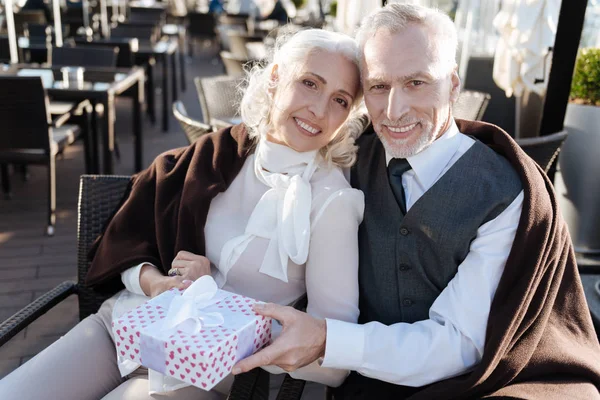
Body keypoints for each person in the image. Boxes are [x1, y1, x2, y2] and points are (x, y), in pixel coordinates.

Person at [233, 3, 600, 399]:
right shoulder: (353, 153)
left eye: (416, 82)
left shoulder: (504, 193)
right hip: (364, 384)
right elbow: (265, 146)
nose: (394, 111)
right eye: (378, 86)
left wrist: (328, 339)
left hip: (483, 383)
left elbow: (459, 344)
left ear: (454, 85)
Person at [0, 28, 367, 399]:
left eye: (339, 99)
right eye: (309, 83)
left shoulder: (332, 202)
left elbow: (332, 356)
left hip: (206, 370)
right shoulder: (216, 154)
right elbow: (129, 238)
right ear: (275, 78)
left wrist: (223, 317)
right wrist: (157, 284)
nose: (319, 110)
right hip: (127, 326)